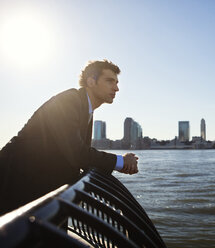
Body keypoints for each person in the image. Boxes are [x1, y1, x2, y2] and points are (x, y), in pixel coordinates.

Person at [0, 60, 138, 215]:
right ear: (91, 81)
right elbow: (76, 153)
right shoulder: (68, 101)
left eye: (117, 82)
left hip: (34, 186)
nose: (116, 88)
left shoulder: (86, 108)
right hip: (11, 182)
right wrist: (121, 162)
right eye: (109, 81)